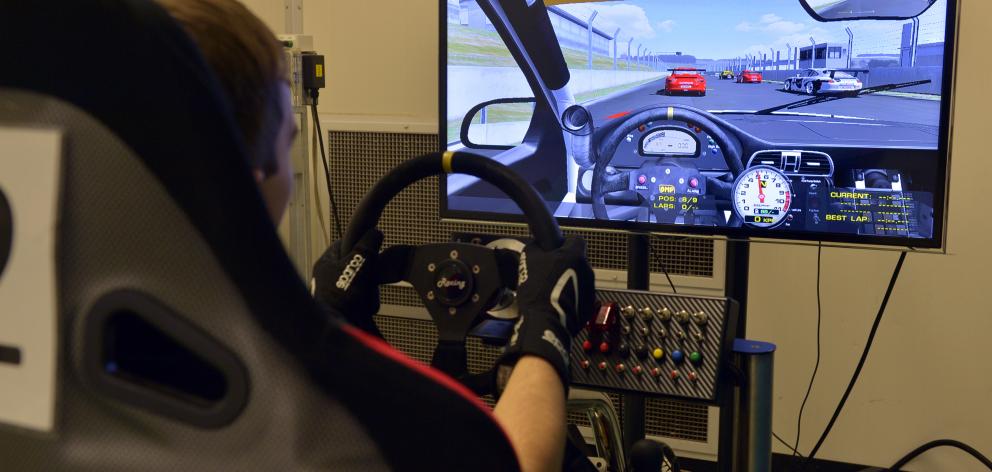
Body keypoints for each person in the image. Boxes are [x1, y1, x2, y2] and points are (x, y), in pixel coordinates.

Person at [158, 1, 596, 470]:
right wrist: (544, 326)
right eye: (288, 145)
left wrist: (328, 321)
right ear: (253, 171)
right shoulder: (263, 359)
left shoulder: (159, 339)